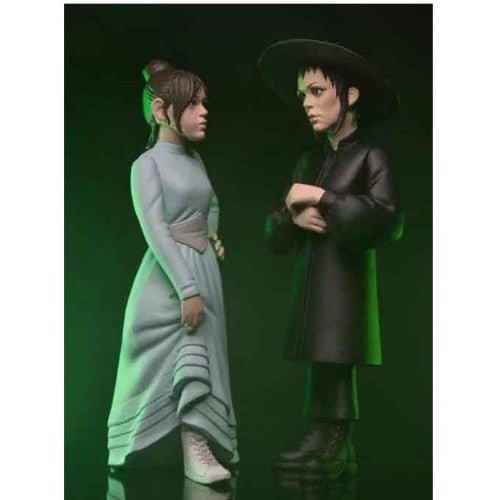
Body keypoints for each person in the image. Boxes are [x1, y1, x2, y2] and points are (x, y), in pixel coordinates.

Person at [259, 39, 404, 480]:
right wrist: (292, 219)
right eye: (303, 94)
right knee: (321, 362)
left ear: (350, 95)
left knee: (338, 360)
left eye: (317, 91)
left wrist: (323, 198)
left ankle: (337, 442)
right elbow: (275, 231)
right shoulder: (309, 161)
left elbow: (386, 218)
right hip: (314, 284)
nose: (307, 103)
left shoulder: (370, 156)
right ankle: (320, 435)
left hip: (345, 286)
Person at [107, 59, 238, 484]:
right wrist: (186, 287)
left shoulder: (195, 160)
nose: (204, 112)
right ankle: (183, 448)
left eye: (204, 103)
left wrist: (211, 233)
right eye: (193, 104)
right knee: (184, 356)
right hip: (170, 278)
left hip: (203, 270)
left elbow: (210, 202)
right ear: (162, 110)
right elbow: (155, 229)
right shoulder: (147, 165)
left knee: (202, 356)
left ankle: (198, 441)